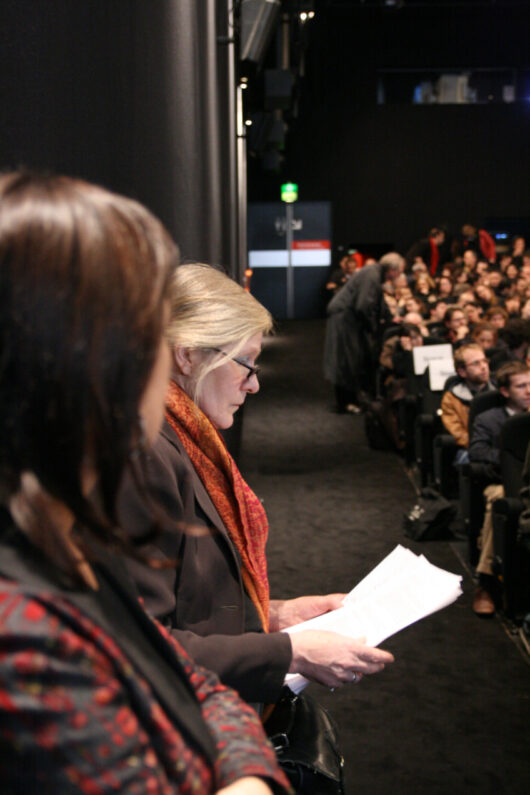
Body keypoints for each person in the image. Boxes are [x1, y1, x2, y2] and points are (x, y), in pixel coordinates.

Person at [0, 172, 290, 795]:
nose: (161, 350)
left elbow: (176, 678)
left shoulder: (55, 532)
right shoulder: (21, 620)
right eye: (143, 326)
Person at [119, 263, 394, 709]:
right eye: (246, 364)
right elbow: (135, 647)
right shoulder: (144, 453)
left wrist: (273, 616)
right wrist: (291, 652)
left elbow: (188, 600)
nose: (254, 384)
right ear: (187, 354)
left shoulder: (180, 435)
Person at [468, 362, 530, 615]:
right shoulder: (489, 418)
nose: (529, 390)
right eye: (522, 386)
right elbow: (477, 451)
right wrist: (508, 459)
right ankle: (485, 582)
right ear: (505, 391)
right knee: (500, 500)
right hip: (500, 480)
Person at [324, 251, 405, 411]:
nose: (401, 274)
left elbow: (374, 302)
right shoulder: (372, 275)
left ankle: (350, 401)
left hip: (347, 318)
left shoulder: (374, 273)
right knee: (346, 360)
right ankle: (346, 404)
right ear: (393, 270)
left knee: (349, 359)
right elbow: (363, 306)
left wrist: (387, 319)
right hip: (344, 319)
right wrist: (372, 328)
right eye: (400, 271)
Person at [440, 343, 495, 460]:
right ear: (462, 372)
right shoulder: (451, 398)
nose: (484, 366)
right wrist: (480, 446)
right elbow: (457, 432)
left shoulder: (501, 392)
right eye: (476, 363)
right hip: (469, 447)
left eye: (485, 361)